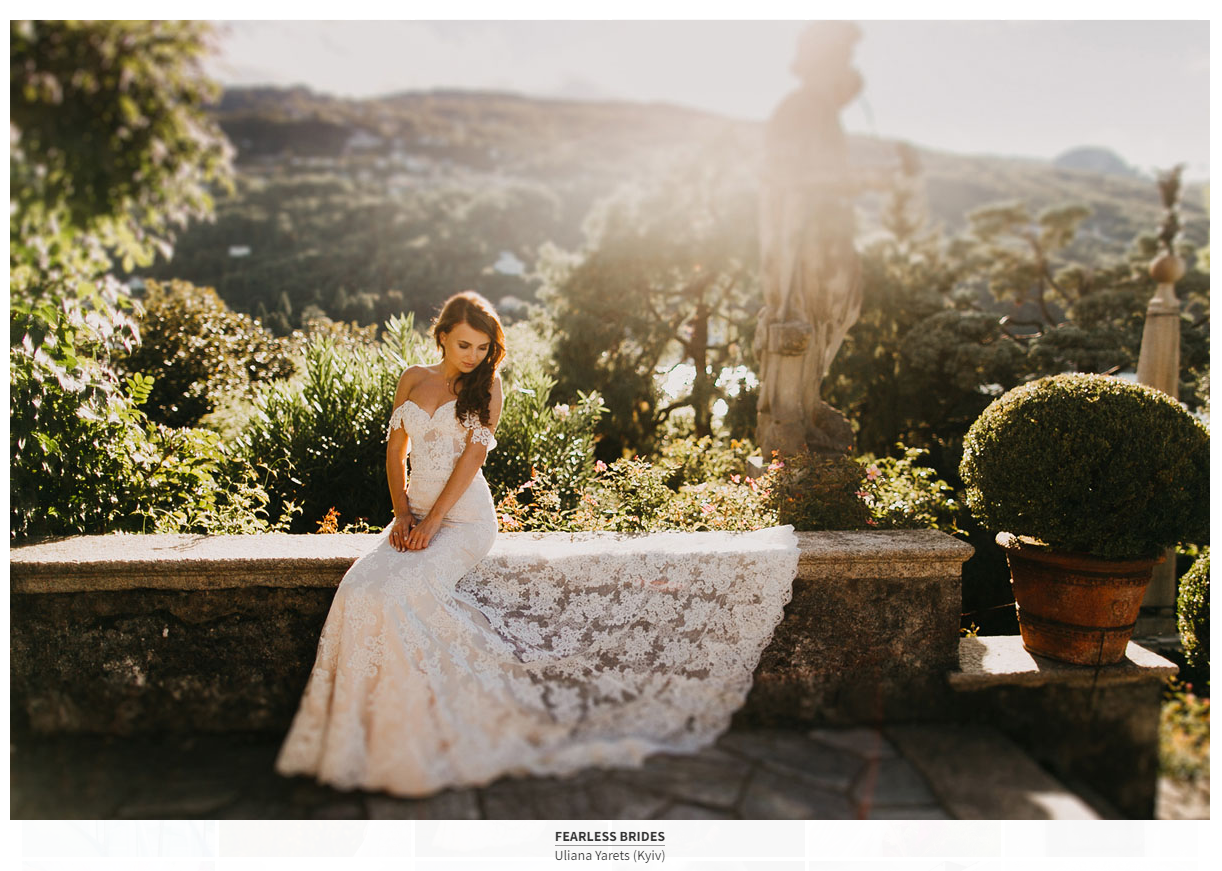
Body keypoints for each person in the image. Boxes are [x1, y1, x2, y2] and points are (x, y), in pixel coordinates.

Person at [276, 290, 799, 798]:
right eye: (464, 346)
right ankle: (368, 737)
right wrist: (401, 513)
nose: (475, 356)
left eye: (483, 347)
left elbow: (470, 463)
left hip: (463, 522)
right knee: (360, 589)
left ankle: (435, 732)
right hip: (412, 513)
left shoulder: (487, 389)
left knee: (398, 595)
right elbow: (395, 451)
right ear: (441, 338)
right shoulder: (412, 379)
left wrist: (433, 521)